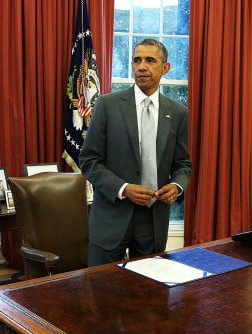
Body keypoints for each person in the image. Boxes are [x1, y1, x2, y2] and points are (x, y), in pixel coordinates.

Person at [79, 38, 192, 267]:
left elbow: (183, 164)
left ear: (165, 68)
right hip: (111, 216)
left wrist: (177, 186)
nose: (142, 66)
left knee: (148, 294)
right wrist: (124, 189)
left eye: (150, 60)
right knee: (102, 292)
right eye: (137, 60)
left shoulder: (178, 112)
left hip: (153, 218)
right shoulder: (107, 105)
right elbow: (89, 160)